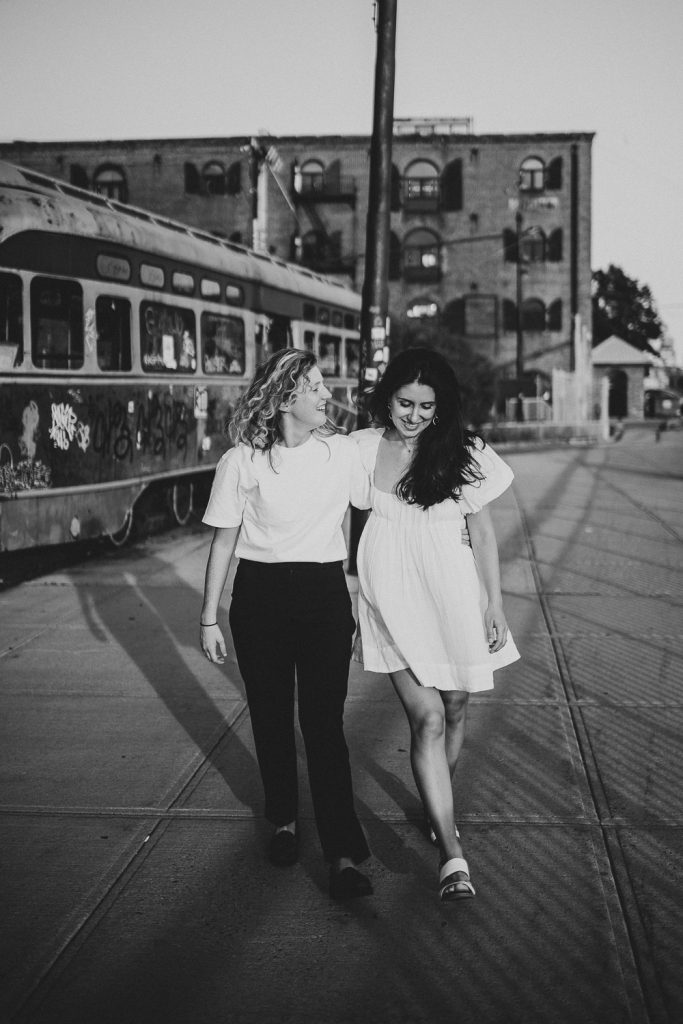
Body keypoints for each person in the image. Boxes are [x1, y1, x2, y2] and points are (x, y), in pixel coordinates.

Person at [199, 348, 372, 899]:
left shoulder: (341, 453)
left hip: (323, 598)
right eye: (316, 386)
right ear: (284, 397)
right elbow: (223, 541)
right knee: (271, 720)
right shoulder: (242, 462)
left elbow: (392, 471)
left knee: (324, 727)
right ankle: (283, 822)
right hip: (259, 599)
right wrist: (209, 618)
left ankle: (343, 853)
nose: (328, 395)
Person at [351, 347, 520, 903]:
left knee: (454, 708)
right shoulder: (362, 448)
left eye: (426, 405)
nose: (415, 415)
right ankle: (452, 854)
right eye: (404, 402)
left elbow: (486, 534)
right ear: (387, 397)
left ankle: (435, 802)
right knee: (426, 720)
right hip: (388, 598)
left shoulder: (464, 451)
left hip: (452, 596)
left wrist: (494, 605)